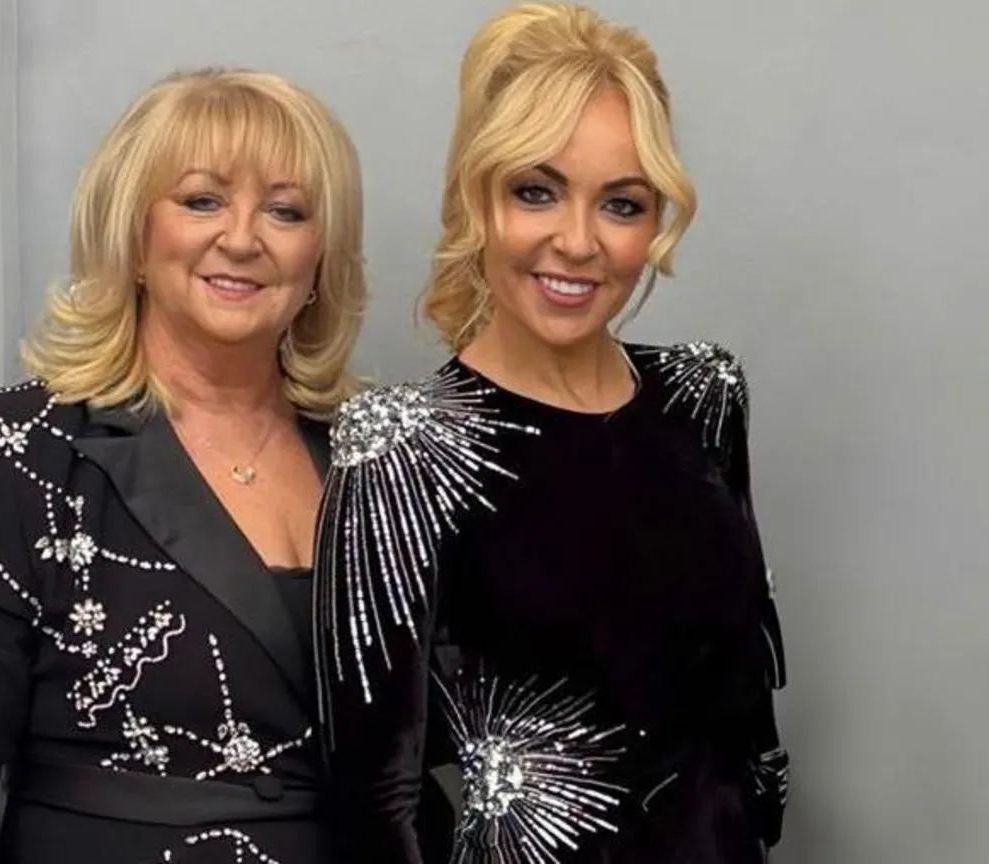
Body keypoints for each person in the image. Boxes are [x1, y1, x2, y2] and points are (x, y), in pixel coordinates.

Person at [314, 5, 790, 863]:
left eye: (621, 203)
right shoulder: (404, 446)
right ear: (477, 197)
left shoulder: (702, 392)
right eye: (537, 191)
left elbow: (745, 705)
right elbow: (373, 793)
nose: (577, 242)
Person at [0, 67, 365, 864]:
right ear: (133, 236)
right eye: (202, 200)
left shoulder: (381, 461)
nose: (242, 237)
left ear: (320, 260)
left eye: (286, 210)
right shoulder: (9, 453)